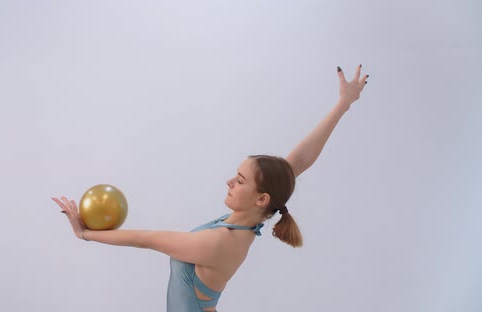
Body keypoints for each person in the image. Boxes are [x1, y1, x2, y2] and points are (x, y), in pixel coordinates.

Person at [53, 65, 369, 312]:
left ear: (261, 197)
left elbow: (146, 238)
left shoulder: (219, 243)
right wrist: (343, 105)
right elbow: (297, 162)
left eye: (240, 180)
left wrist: (85, 234)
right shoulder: (253, 217)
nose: (229, 182)